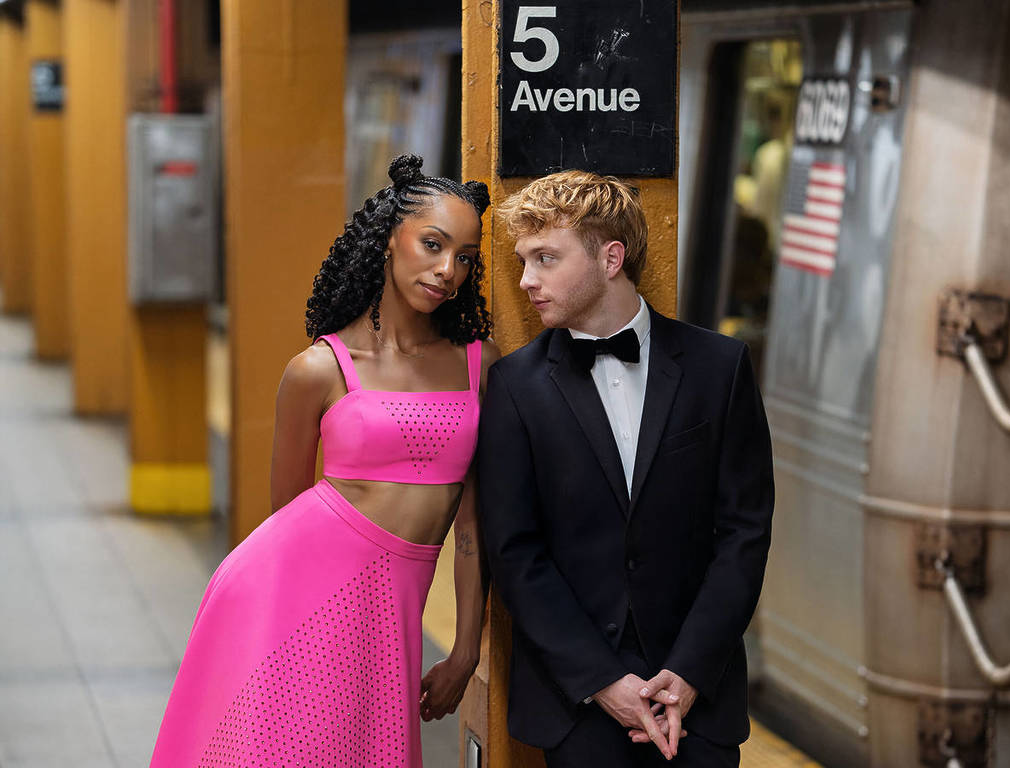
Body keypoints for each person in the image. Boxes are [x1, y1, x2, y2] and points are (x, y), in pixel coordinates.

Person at [150, 155, 499, 768]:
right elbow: (283, 519)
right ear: (390, 239)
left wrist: (466, 647)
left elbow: (474, 520)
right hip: (301, 597)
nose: (448, 270)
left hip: (394, 607)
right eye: (433, 244)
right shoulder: (318, 369)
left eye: (465, 257)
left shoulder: (480, 363)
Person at [478, 171, 774, 767]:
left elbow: (744, 531)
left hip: (699, 703)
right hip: (578, 708)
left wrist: (689, 672)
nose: (526, 280)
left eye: (545, 258)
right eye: (523, 261)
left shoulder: (720, 367)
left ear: (610, 258)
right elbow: (515, 552)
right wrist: (602, 681)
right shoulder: (515, 386)